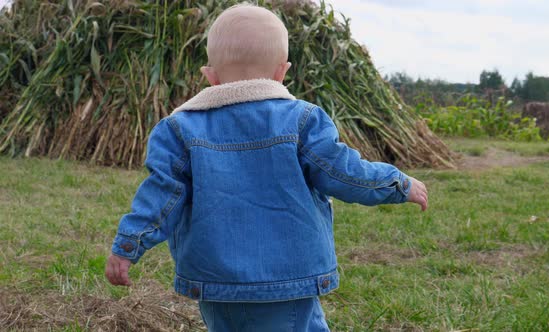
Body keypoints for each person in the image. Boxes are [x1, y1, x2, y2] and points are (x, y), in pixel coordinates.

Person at [105, 4, 428, 331]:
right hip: (288, 277)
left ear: (211, 76)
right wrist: (397, 183)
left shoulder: (178, 129)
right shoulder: (302, 120)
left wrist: (128, 246)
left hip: (216, 282)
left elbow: (161, 196)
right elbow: (343, 172)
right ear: (281, 72)